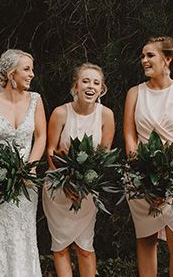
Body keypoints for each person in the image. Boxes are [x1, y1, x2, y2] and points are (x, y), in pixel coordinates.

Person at [123, 36, 173, 277]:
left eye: (150, 55)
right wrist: (144, 177)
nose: (144, 60)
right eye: (142, 56)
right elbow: (130, 137)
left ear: (168, 59)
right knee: (146, 241)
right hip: (140, 177)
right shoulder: (134, 93)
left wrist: (169, 180)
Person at [0, 49, 47, 277]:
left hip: (26, 183)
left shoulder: (35, 100)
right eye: (26, 69)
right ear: (11, 73)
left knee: (23, 234)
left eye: (32, 69)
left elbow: (41, 137)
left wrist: (30, 168)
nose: (32, 74)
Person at [43, 63, 115, 277]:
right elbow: (51, 150)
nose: (90, 86)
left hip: (87, 190)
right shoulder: (60, 113)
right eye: (85, 81)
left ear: (101, 89)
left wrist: (86, 185)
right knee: (61, 246)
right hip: (59, 188)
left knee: (85, 246)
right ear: (75, 86)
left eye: (96, 83)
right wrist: (66, 182)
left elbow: (104, 156)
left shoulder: (106, 115)